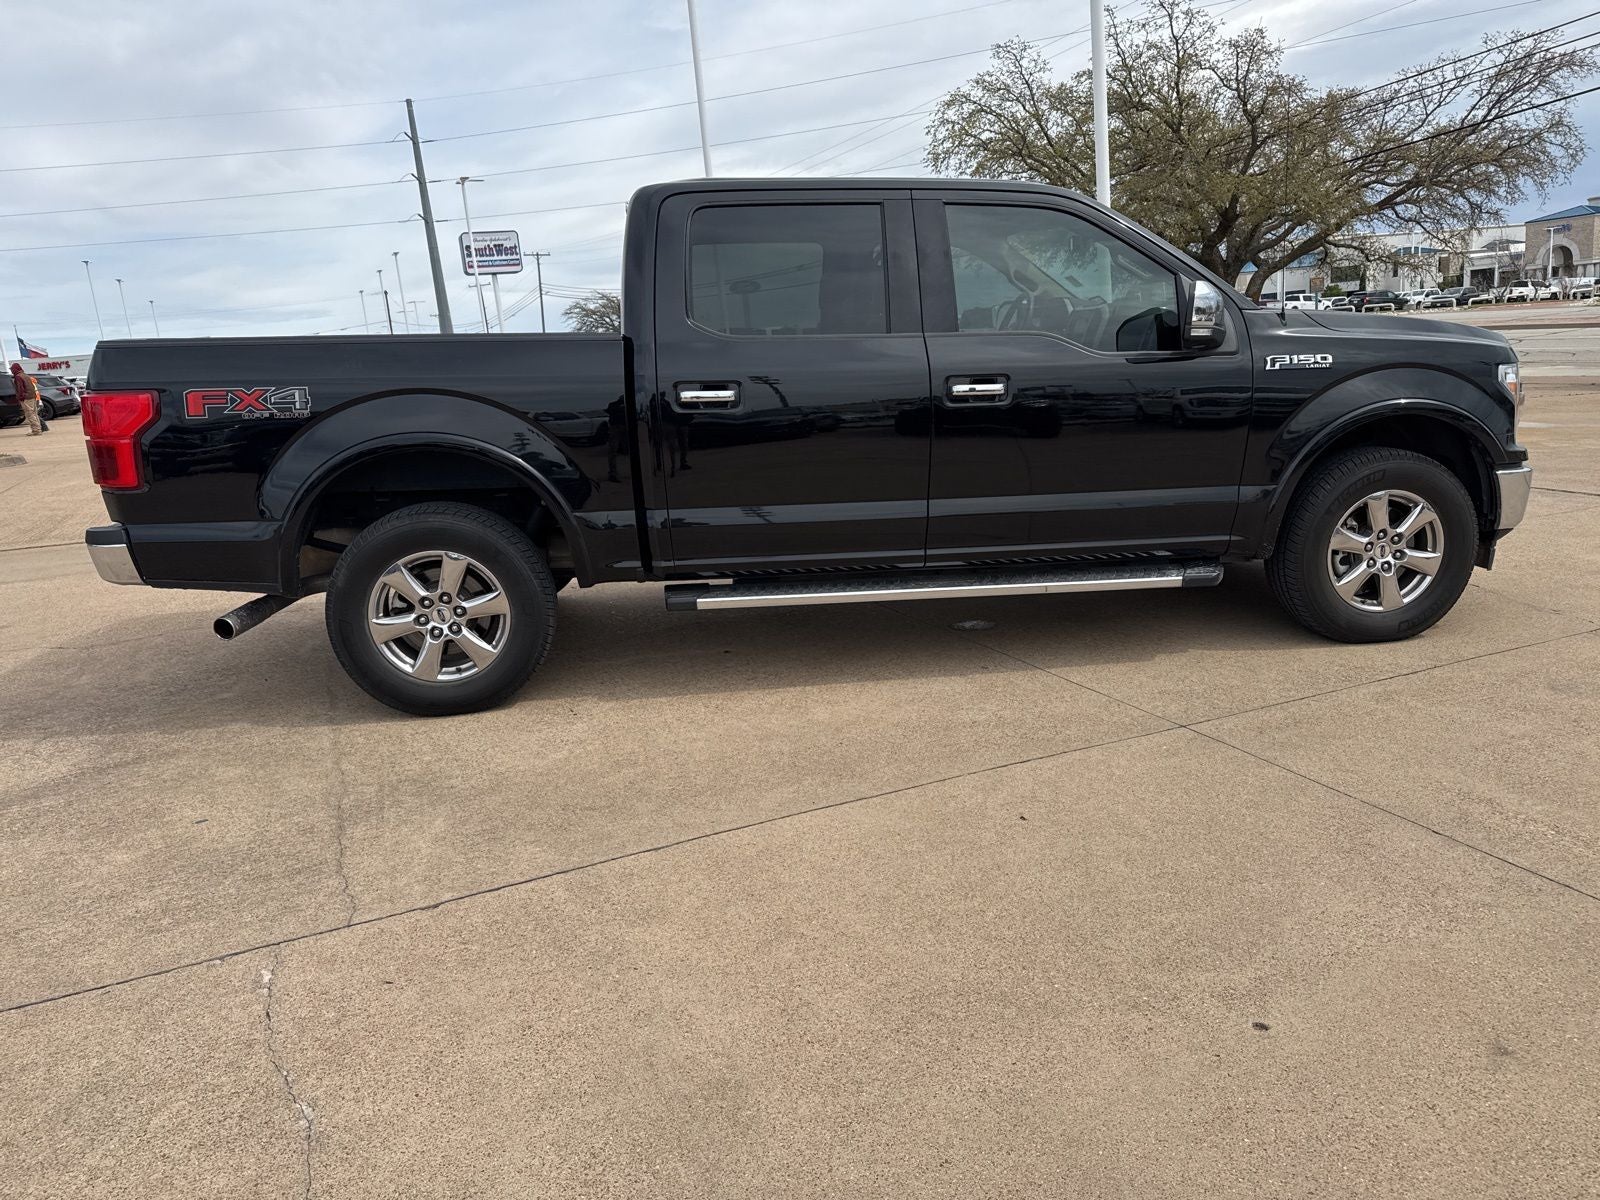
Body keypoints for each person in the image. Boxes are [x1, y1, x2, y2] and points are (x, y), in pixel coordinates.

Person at [9, 361, 49, 435]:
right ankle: (38, 428)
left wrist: (21, 397)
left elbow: (20, 388)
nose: (11, 370)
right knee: (34, 413)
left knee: (30, 414)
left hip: (26, 398)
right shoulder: (25, 375)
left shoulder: (18, 377)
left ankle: (36, 430)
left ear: (15, 369)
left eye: (12, 369)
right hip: (32, 396)